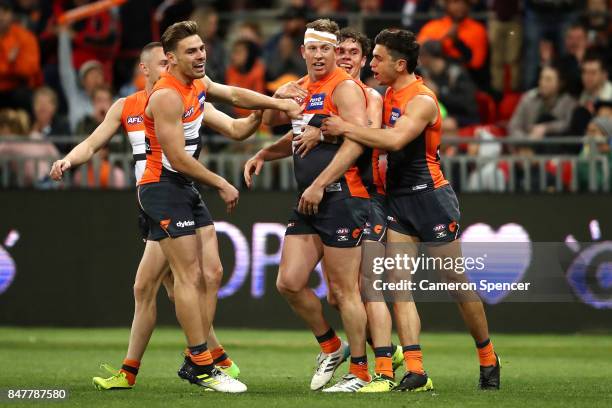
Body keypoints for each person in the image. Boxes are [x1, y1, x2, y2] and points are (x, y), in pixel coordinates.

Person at [51, 21, 301, 392]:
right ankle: (202, 362)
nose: (201, 55)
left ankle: (143, 369)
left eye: (202, 49)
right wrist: (220, 181)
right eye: (191, 51)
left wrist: (272, 105)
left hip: (182, 188)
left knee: (188, 277)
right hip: (161, 188)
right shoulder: (160, 99)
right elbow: (173, 157)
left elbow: (233, 103)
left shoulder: (196, 87)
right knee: (186, 278)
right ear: (163, 63)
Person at [321, 28, 500, 392]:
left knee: (457, 284)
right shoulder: (385, 95)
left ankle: (487, 357)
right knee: (397, 285)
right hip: (397, 202)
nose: (372, 63)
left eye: (378, 58)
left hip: (431, 199)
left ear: (400, 64)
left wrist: (346, 128)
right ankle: (415, 370)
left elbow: (395, 139)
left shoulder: (423, 100)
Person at [245, 18, 372, 393]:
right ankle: (332, 347)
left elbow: (356, 143)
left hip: (341, 197)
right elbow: (279, 126)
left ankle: (361, 373)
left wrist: (320, 183)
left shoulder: (345, 88)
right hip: (309, 199)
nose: (318, 55)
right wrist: (265, 153)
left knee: (344, 290)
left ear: (335, 51)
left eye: (325, 48)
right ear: (302, 51)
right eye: (311, 48)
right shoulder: (298, 89)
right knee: (288, 282)